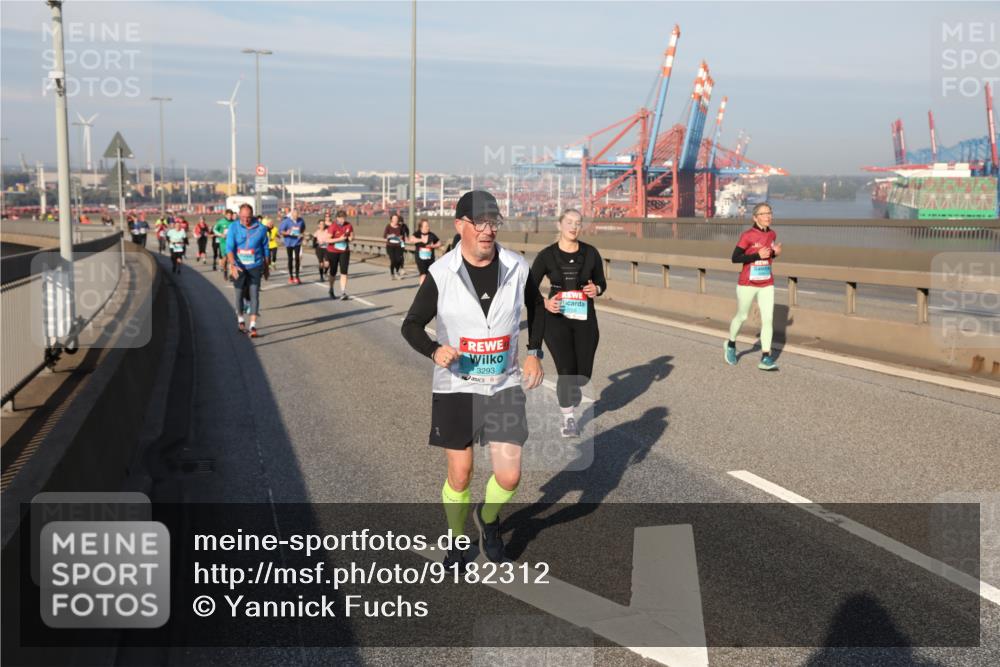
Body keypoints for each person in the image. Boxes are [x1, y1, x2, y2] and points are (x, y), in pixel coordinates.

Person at [401, 190, 546, 571]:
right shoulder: (441, 273)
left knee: (510, 475)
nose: (488, 230)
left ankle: (489, 517)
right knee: (461, 474)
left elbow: (537, 307)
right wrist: (434, 350)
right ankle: (454, 540)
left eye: (494, 222)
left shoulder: (517, 266)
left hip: (503, 383)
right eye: (480, 222)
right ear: (461, 225)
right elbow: (411, 325)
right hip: (457, 385)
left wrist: (535, 352)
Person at [530, 209, 606, 437]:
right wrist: (544, 303)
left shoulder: (591, 253)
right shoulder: (547, 255)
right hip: (556, 319)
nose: (574, 227)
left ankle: (572, 391)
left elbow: (601, 281)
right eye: (569, 222)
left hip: (585, 319)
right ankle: (568, 419)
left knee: (582, 375)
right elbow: (530, 286)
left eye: (578, 223)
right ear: (560, 225)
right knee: (566, 370)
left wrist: (597, 289)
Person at [725, 202, 782, 370]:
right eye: (764, 214)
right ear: (755, 217)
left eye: (769, 213)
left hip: (766, 283)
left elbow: (767, 256)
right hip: (747, 283)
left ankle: (766, 357)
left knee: (768, 319)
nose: (768, 216)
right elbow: (735, 258)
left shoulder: (772, 234)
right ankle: (730, 345)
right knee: (742, 316)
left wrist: (774, 253)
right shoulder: (747, 235)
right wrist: (756, 254)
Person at [226, 204, 270, 338]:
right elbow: (229, 247)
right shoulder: (233, 227)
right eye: (243, 217)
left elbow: (265, 249)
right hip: (239, 265)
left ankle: (253, 326)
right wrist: (233, 264)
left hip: (255, 266)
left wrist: (266, 267)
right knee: (239, 294)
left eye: (248, 217)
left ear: (253, 216)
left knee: (254, 295)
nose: (246, 220)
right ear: (239, 215)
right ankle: (240, 320)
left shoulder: (261, 229)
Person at [327, 210, 354, 300]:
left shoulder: (349, 225)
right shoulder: (333, 226)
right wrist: (339, 239)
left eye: (344, 218)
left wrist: (350, 238)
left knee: (344, 271)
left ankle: (343, 292)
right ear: (337, 218)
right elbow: (328, 240)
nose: (343, 220)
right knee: (333, 272)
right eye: (341, 218)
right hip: (333, 251)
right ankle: (331, 288)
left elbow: (352, 236)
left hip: (344, 251)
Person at [409, 218, 441, 286]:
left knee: (429, 274)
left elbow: (439, 243)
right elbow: (411, 239)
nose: (428, 227)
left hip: (430, 258)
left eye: (428, 226)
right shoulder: (417, 233)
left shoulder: (431, 235)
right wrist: (420, 240)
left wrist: (433, 246)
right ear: (421, 227)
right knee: (423, 273)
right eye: (426, 226)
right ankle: (421, 289)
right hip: (420, 257)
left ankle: (427, 288)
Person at [279, 208, 306, 284]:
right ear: (292, 214)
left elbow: (303, 228)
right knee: (290, 259)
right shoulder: (286, 221)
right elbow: (281, 231)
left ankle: (297, 276)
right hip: (289, 242)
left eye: (297, 215)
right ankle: (291, 276)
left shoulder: (301, 220)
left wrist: (301, 234)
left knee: (297, 258)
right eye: (295, 215)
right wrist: (287, 233)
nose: (296, 216)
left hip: (297, 242)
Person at [212, 209, 236, 278]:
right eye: (228, 215)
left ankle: (231, 274)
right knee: (225, 259)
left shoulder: (234, 223)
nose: (229, 216)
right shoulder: (221, 222)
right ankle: (225, 270)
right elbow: (214, 229)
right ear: (225, 215)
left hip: (232, 242)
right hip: (223, 242)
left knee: (231, 258)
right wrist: (221, 234)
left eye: (231, 215)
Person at [384, 213, 406, 279]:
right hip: (390, 246)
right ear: (391, 220)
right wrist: (391, 235)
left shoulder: (400, 227)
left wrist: (403, 246)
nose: (396, 220)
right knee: (393, 260)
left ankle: (397, 272)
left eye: (397, 219)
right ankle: (392, 273)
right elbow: (385, 236)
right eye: (394, 219)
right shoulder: (388, 226)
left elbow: (403, 237)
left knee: (398, 260)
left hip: (398, 246)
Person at [313, 213, 332, 283]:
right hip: (319, 249)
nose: (322, 225)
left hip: (327, 248)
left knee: (327, 263)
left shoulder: (327, 231)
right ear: (318, 225)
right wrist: (315, 244)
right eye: (320, 224)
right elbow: (314, 240)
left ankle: (325, 272)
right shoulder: (317, 232)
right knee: (321, 264)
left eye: (323, 224)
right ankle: (321, 277)